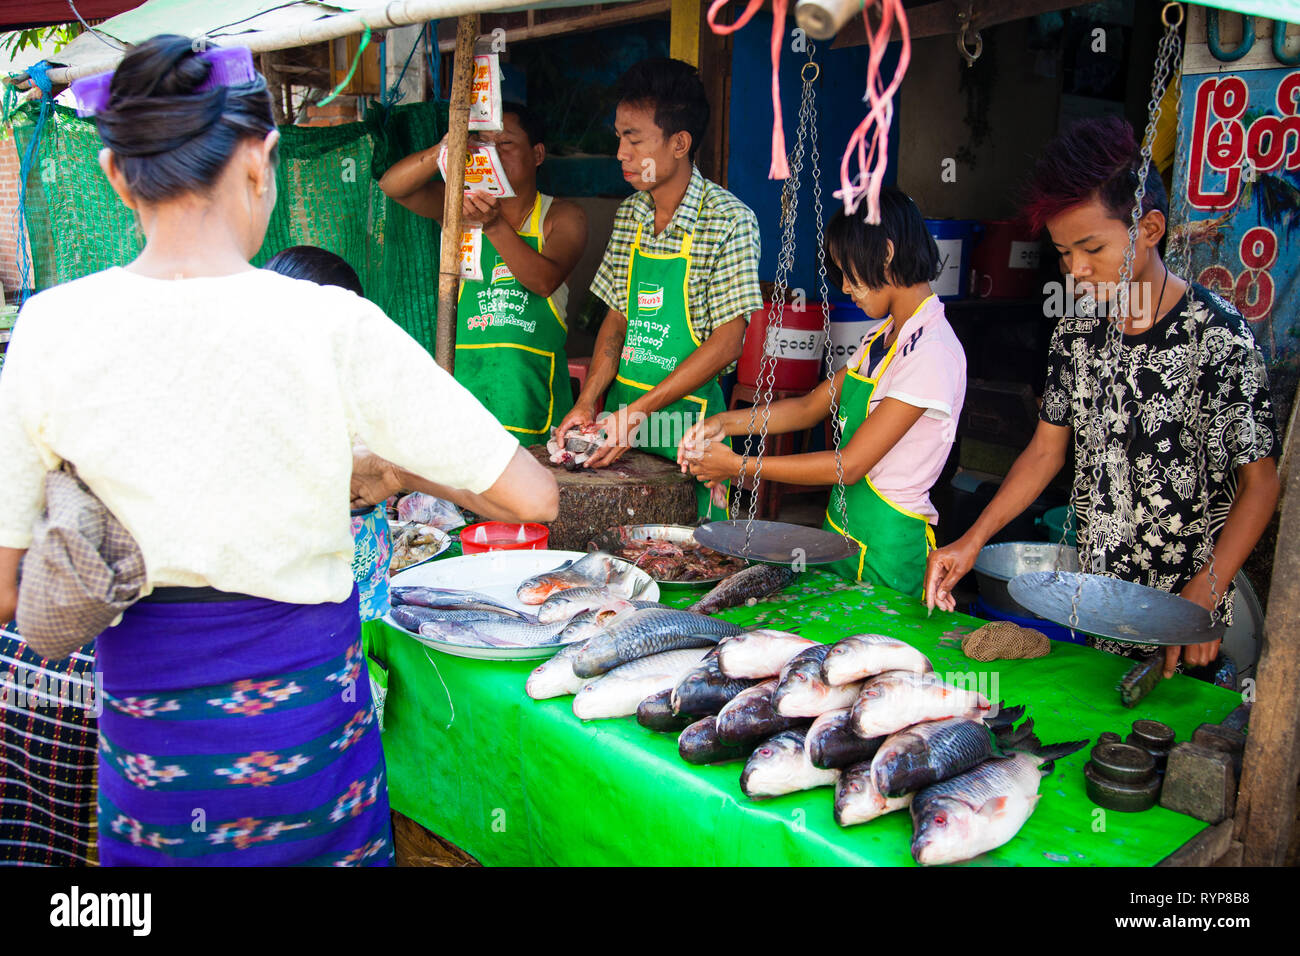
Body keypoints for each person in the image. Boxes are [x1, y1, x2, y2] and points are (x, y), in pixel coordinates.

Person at [0, 36, 557, 867]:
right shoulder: (331, 323)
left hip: (153, 757)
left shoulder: (49, 329)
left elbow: (7, 590)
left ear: (116, 175)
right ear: (262, 161)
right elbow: (532, 498)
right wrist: (388, 470)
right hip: (306, 744)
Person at [924, 116, 1279, 680]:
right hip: (1094, 604)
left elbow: (1261, 483)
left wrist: (1203, 593)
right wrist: (972, 541)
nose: (1077, 271)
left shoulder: (1217, 337)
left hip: (1185, 619)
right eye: (1064, 254)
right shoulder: (1078, 333)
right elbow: (1045, 453)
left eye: (1092, 248)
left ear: (1151, 227)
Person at [680, 188, 966, 596]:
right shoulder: (881, 336)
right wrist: (724, 422)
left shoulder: (931, 351)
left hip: (890, 550)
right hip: (842, 531)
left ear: (885, 254)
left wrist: (739, 466)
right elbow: (812, 406)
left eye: (849, 273)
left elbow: (849, 465)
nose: (846, 287)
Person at [555, 58, 763, 520]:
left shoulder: (729, 220)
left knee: (680, 560)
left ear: (679, 143)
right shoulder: (630, 215)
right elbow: (617, 317)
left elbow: (729, 342)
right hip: (621, 429)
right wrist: (589, 403)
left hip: (689, 434)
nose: (620, 153)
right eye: (618, 137)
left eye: (634, 138)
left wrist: (639, 413)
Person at [378, 103, 586, 443]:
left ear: (537, 154)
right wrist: (444, 150)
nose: (492, 155)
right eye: (483, 145)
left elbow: (543, 281)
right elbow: (392, 186)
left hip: (533, 397)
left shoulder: (562, 216)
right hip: (467, 392)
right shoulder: (460, 208)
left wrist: (493, 226)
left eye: (504, 145)